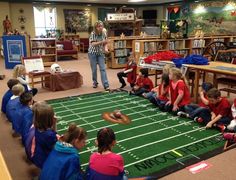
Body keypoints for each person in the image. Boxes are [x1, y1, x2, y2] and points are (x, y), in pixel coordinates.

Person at [30, 102, 58, 168]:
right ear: (49, 119)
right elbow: (55, 147)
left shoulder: (37, 127)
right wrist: (55, 124)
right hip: (45, 160)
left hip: (38, 156)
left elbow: (51, 132)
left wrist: (53, 124)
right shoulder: (49, 135)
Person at [88, 20, 110, 91]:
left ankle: (106, 85)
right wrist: (102, 42)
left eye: (101, 26)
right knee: (94, 69)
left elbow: (105, 43)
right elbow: (93, 44)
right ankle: (95, 82)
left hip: (100, 53)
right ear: (96, 27)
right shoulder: (93, 33)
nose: (100, 27)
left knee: (103, 69)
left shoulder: (104, 33)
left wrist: (106, 49)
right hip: (92, 53)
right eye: (98, 26)